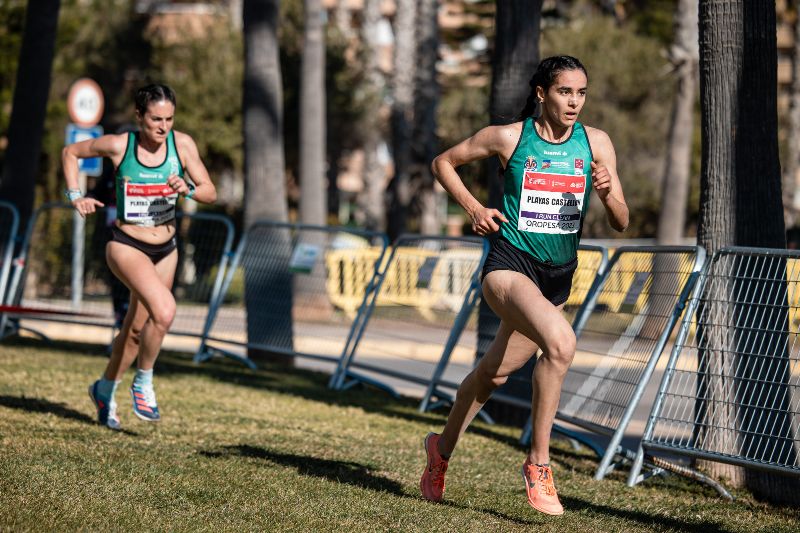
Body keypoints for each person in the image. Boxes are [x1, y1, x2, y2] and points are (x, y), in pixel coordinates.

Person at [420, 56, 628, 515]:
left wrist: (608, 192)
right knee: (561, 343)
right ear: (541, 93)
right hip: (510, 267)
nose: (574, 102)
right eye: (564, 92)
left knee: (493, 375)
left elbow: (621, 220)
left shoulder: (596, 143)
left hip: (556, 278)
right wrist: (475, 208)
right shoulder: (510, 137)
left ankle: (440, 450)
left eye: (581, 93)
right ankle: (539, 463)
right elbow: (444, 162)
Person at [62, 84, 217, 430]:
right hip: (126, 245)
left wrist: (189, 188)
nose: (163, 127)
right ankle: (143, 381)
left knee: (134, 330)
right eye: (156, 119)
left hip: (166, 249)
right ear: (139, 117)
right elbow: (70, 152)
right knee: (165, 311)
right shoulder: (121, 145)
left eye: (169, 119)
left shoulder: (182, 145)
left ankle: (104, 389)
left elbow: (210, 191)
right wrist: (75, 196)